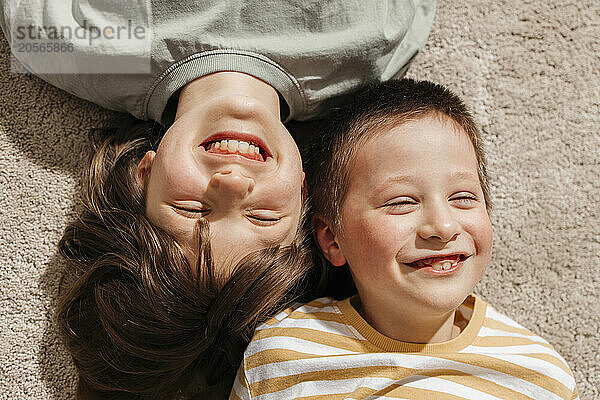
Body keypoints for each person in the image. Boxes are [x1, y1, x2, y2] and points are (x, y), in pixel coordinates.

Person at [0, 2, 436, 398]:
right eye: (263, 217)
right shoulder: (372, 44)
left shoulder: (63, 38)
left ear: (143, 176)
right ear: (305, 192)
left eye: (191, 210)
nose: (231, 184)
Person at [230, 79, 579, 400]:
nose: (442, 227)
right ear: (332, 239)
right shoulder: (283, 354)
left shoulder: (539, 376)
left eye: (463, 198)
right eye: (401, 202)